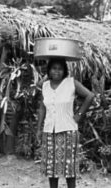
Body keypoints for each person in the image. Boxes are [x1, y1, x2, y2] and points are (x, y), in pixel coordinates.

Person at [36, 58, 94, 188]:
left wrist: (79, 115)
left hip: (68, 130)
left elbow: (90, 96)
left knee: (69, 168)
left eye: (60, 69)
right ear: (49, 70)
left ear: (64, 71)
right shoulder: (45, 86)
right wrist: (39, 129)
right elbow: (42, 108)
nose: (57, 71)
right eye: (54, 68)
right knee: (51, 168)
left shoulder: (71, 83)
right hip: (49, 131)